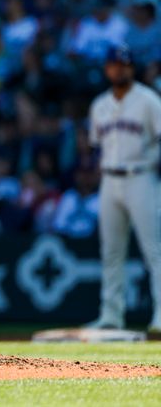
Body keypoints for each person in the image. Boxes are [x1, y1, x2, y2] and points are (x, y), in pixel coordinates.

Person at [86, 44, 161, 333]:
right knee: (112, 251)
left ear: (133, 68)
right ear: (107, 69)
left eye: (126, 65)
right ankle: (111, 315)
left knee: (154, 250)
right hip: (109, 179)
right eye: (115, 65)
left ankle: (159, 316)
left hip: (142, 177)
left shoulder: (148, 100)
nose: (121, 69)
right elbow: (95, 146)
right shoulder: (99, 105)